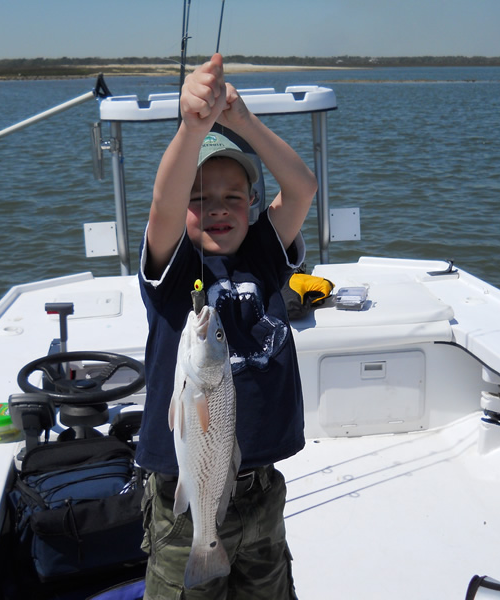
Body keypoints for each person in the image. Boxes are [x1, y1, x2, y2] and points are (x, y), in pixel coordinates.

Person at [137, 53, 317, 599]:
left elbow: (302, 188)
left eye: (233, 197)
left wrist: (242, 120)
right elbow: (162, 207)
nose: (218, 208)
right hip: (184, 494)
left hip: (259, 491)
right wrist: (192, 129)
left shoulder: (263, 255)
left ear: (253, 204)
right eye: (200, 199)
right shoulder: (174, 271)